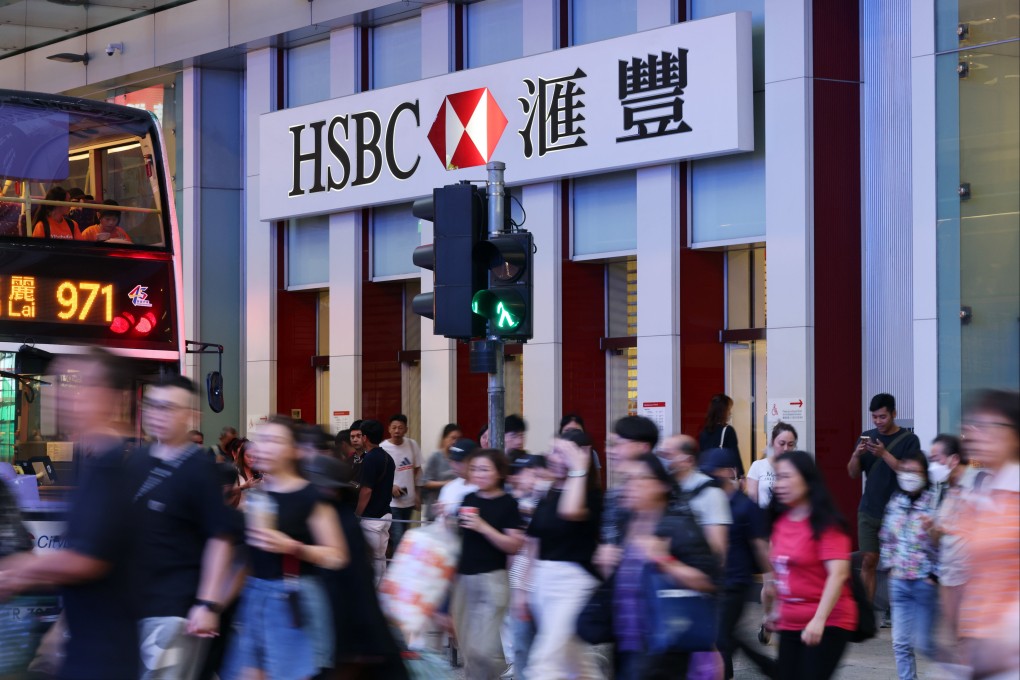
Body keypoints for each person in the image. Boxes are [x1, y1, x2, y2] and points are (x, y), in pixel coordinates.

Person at [0, 350, 140, 679]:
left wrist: (19, 568)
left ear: (112, 397)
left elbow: (90, 559)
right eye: (62, 384)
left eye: (81, 386)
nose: (66, 396)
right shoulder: (94, 463)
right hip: (86, 646)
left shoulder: (114, 466)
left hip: (106, 656)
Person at [225, 416, 348, 680]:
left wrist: (292, 547)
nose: (264, 447)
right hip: (255, 597)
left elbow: (337, 555)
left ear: (293, 450)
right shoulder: (259, 495)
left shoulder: (310, 496)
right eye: (261, 440)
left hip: (292, 598)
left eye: (274, 440)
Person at [128, 376, 235, 680]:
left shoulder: (201, 469)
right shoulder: (137, 460)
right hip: (133, 601)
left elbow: (220, 538)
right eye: (152, 405)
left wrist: (207, 604)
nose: (158, 414)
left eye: (169, 408)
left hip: (176, 609)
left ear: (191, 416)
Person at [301, 454, 409, 680]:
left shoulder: (341, 522)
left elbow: (354, 583)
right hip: (346, 627)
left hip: (351, 629)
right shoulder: (332, 517)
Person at [613, 453, 718, 679]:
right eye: (628, 479)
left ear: (662, 485)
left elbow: (709, 582)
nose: (632, 485)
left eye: (641, 478)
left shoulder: (678, 526)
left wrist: (665, 560)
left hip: (667, 648)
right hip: (630, 646)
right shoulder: (627, 524)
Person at [764, 450, 857, 680]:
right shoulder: (782, 522)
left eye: (786, 476)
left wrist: (819, 619)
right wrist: (776, 609)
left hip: (828, 621)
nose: (779, 484)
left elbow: (838, 575)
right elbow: (784, 571)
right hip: (791, 621)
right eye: (777, 477)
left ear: (807, 480)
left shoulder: (826, 524)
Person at [522, 431, 602, 680]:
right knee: (576, 663)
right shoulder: (548, 493)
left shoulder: (590, 494)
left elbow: (570, 511)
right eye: (551, 451)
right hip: (544, 581)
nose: (552, 457)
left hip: (573, 583)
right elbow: (533, 541)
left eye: (560, 452)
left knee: (545, 662)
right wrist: (523, 589)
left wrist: (579, 467)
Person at [953, 389, 1019, 679]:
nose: (975, 434)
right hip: (981, 650)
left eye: (987, 426)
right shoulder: (977, 496)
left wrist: (1008, 633)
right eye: (972, 425)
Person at [701, 447, 777, 680]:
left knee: (720, 636)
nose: (711, 477)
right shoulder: (712, 502)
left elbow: (760, 546)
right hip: (716, 582)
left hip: (736, 582)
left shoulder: (745, 506)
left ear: (729, 472)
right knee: (727, 635)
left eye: (715, 472)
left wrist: (771, 580)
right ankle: (767, 667)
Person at [453, 449, 525, 680]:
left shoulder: (508, 503)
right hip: (464, 580)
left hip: (493, 580)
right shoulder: (468, 499)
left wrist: (483, 527)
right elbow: (459, 539)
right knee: (468, 648)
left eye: (485, 469)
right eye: (474, 469)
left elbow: (514, 545)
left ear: (499, 473)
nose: (478, 474)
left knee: (482, 650)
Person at [847, 392, 921, 604]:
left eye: (883, 416)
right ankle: (866, 611)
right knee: (869, 560)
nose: (878, 421)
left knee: (896, 564)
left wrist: (884, 454)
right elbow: (852, 473)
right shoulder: (867, 437)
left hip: (898, 513)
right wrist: (856, 455)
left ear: (894, 414)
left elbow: (909, 474)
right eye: (874, 417)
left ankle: (893, 608)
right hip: (869, 509)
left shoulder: (909, 440)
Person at [879, 449, 939, 680]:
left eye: (914, 471)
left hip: (924, 582)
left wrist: (935, 575)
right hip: (900, 581)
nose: (909, 475)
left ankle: (957, 671)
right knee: (901, 643)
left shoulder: (933, 504)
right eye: (905, 470)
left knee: (925, 643)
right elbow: (887, 537)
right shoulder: (896, 502)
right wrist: (890, 566)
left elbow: (945, 546)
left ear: (924, 474)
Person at [923, 434, 974, 665]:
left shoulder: (978, 486)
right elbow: (938, 539)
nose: (932, 465)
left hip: (972, 581)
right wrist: (932, 528)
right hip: (948, 578)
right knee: (953, 647)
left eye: (937, 458)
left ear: (953, 459)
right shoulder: (942, 489)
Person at [664, 439, 732, 561]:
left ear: (688, 460)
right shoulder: (661, 488)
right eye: (661, 454)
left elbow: (718, 548)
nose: (664, 460)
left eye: (668, 454)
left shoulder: (710, 492)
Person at [355, 419, 395, 583]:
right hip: (385, 514)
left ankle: (374, 592)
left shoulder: (370, 459)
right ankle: (381, 590)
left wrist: (357, 513)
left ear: (365, 437)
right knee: (380, 557)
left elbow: (366, 490)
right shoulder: (388, 457)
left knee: (371, 559)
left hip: (372, 518)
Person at [381, 414, 422, 553]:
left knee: (404, 536)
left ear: (406, 429)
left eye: (400, 428)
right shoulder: (383, 448)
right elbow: (379, 475)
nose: (397, 431)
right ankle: (397, 563)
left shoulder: (412, 444)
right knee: (398, 538)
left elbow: (417, 469)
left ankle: (397, 561)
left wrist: (417, 494)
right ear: (389, 429)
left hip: (408, 501)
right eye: (394, 427)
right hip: (392, 503)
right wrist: (390, 486)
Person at [747, 422, 798, 508]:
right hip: (764, 514)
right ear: (772, 442)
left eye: (790, 444)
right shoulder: (758, 466)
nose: (786, 448)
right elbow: (752, 502)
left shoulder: (797, 468)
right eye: (781, 443)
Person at [698, 394, 744, 478]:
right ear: (723, 411)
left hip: (706, 474)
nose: (730, 413)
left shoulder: (703, 430)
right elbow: (735, 454)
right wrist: (741, 475)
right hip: (723, 475)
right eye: (729, 409)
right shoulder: (728, 430)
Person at [421, 423, 461, 516]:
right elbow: (425, 482)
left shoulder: (459, 459)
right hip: (435, 509)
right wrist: (447, 483)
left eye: (458, 439)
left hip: (452, 510)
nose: (455, 441)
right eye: (452, 438)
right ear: (444, 438)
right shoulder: (435, 457)